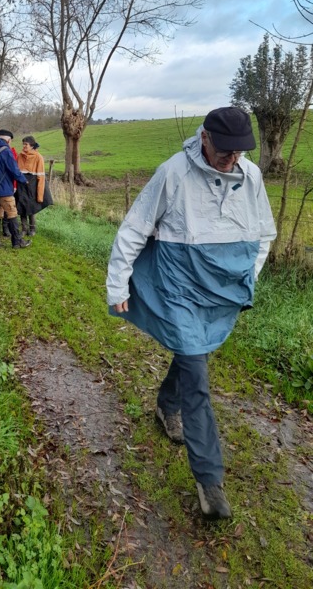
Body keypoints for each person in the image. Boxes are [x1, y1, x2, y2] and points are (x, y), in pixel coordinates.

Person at [106, 107, 276, 521]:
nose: (231, 159)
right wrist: (118, 282)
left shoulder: (252, 176)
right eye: (225, 150)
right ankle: (210, 481)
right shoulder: (173, 173)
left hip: (221, 290)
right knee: (197, 373)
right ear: (204, 138)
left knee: (194, 354)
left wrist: (246, 278)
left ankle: (166, 404)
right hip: (179, 287)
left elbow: (264, 233)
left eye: (239, 152)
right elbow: (135, 227)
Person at [0, 130, 32, 249]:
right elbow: (14, 170)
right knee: (12, 213)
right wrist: (24, 180)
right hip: (4, 189)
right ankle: (17, 241)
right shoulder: (6, 151)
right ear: (8, 140)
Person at [16, 135, 52, 235]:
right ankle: (24, 229)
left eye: (26, 144)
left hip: (32, 185)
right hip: (21, 184)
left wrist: (40, 195)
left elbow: (41, 176)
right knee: (21, 206)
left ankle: (32, 229)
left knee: (31, 207)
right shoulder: (19, 156)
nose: (24, 146)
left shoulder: (38, 157)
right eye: (23, 144)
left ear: (32, 145)